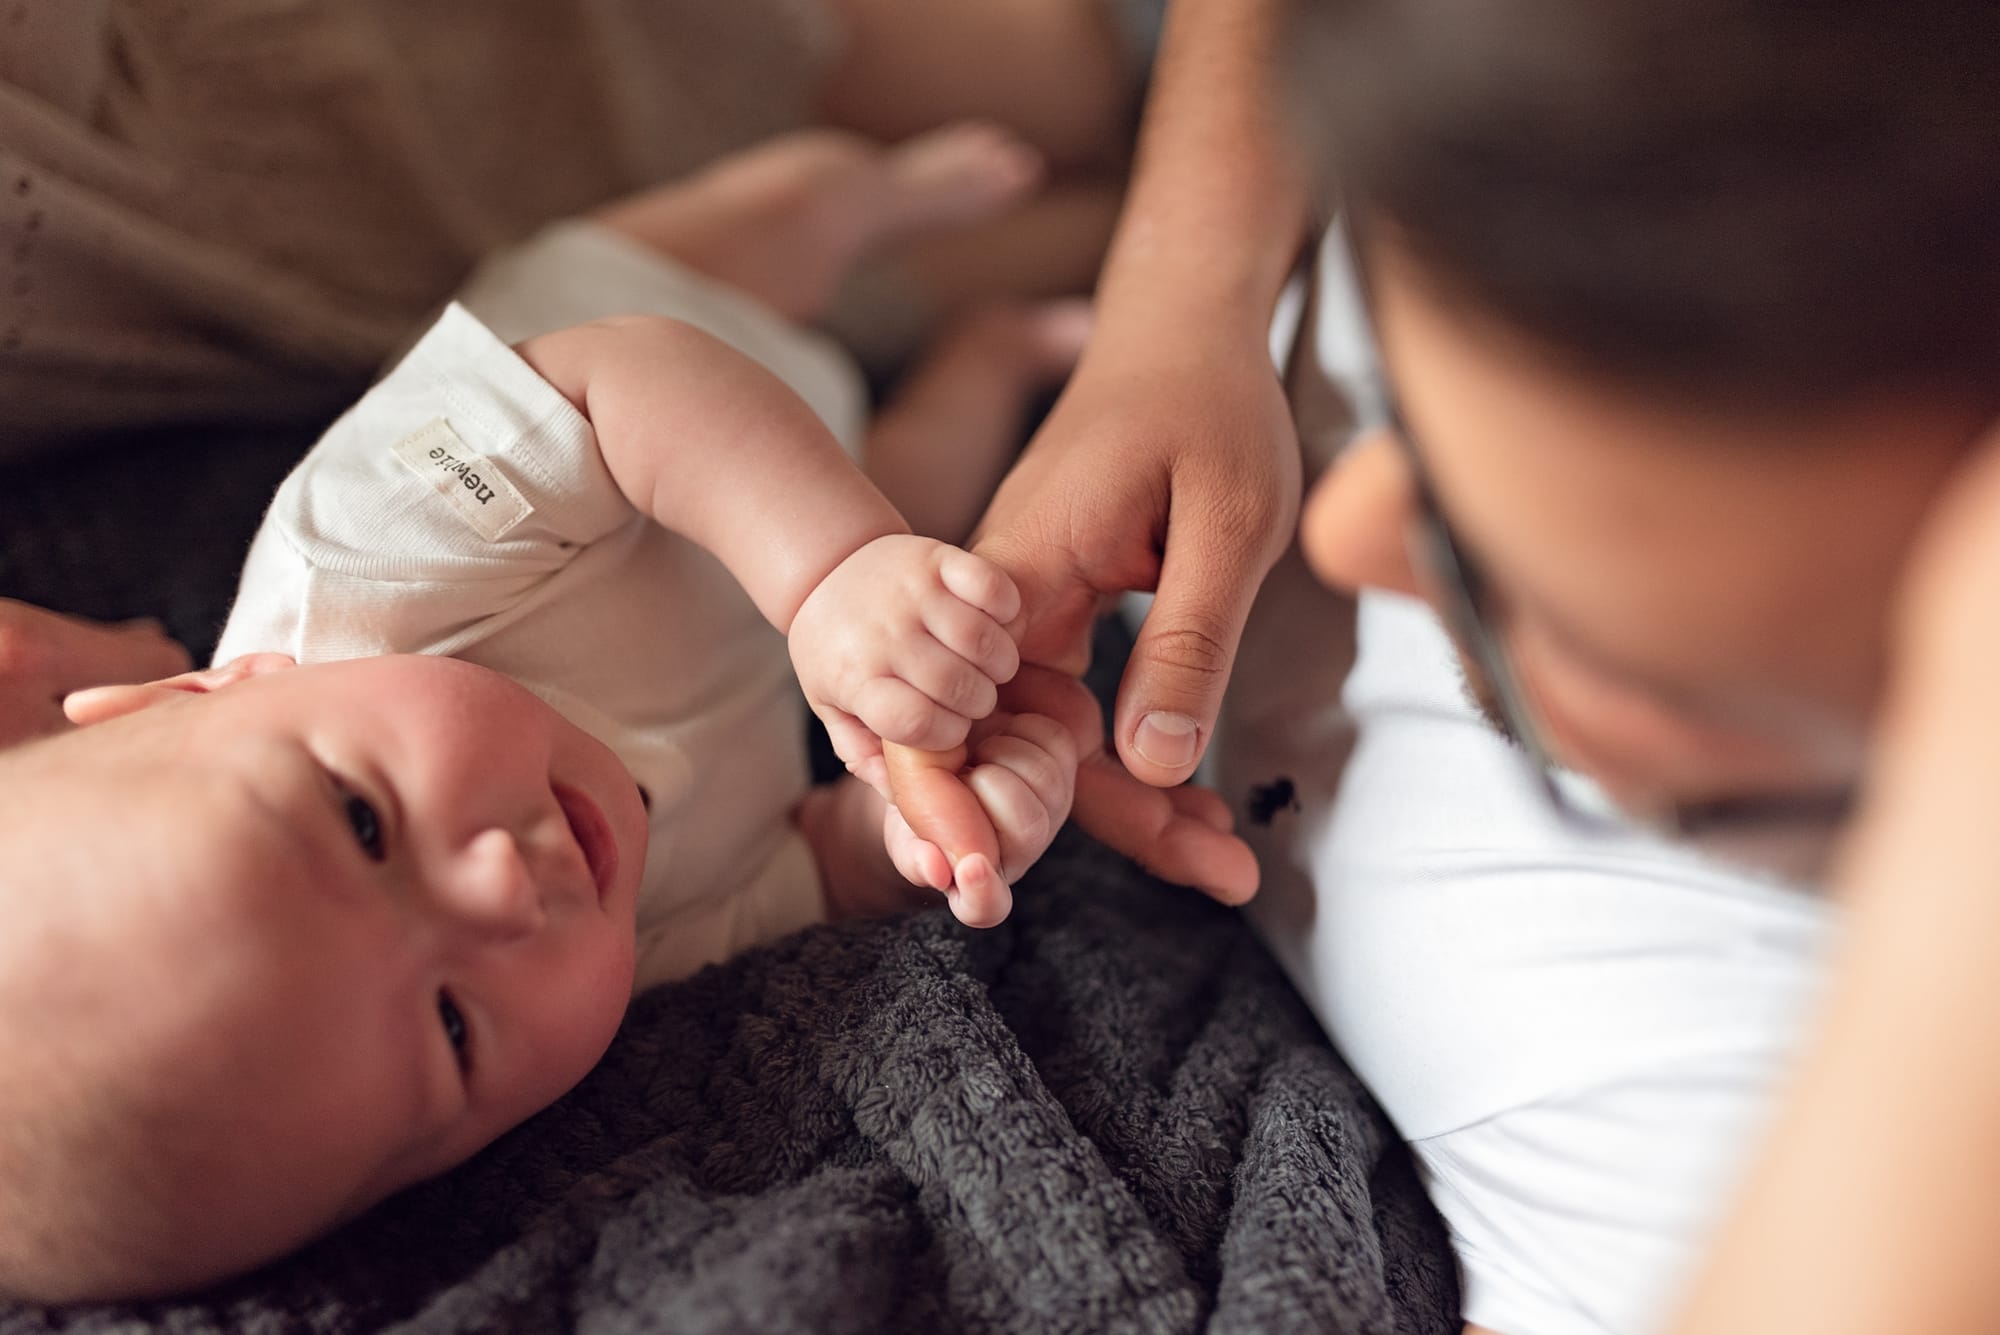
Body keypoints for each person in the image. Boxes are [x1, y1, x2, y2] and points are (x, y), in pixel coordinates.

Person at [0, 123, 1252, 1306]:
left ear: (210, 691)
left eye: (364, 826)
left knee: (787, 214)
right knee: (927, 517)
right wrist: (930, 831)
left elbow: (624, 380)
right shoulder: (597, 976)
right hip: (816, 581)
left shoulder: (362, 558)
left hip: (676, 326)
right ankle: (1000, 349)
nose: (502, 891)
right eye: (449, 1030)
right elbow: (805, 870)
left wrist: (827, 576)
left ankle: (882, 192)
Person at [1282, 1, 2000, 1332]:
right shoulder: (1544, 101)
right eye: (1390, 387)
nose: (1337, 533)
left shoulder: (1703, 1136)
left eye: (1536, 612)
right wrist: (1184, 291)